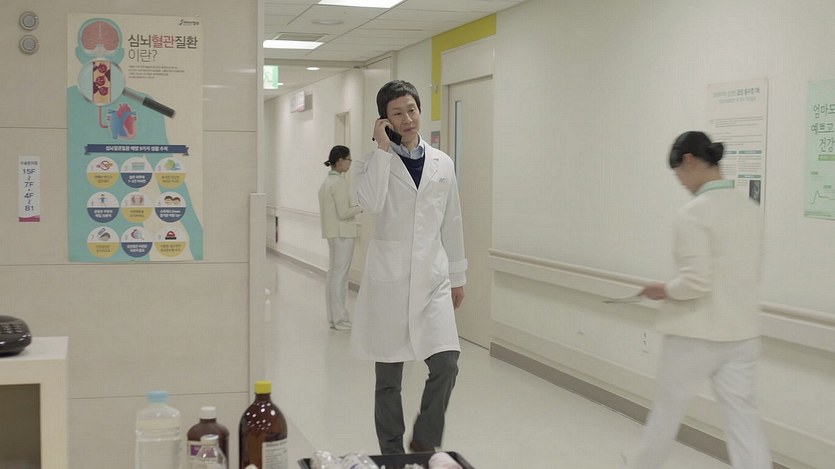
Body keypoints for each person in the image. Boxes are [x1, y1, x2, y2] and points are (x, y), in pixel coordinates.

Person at [633, 131, 771, 469]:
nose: (680, 182)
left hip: (695, 336)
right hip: (742, 334)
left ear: (690, 161)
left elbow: (695, 283)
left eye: (678, 173)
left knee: (666, 414)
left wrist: (664, 289)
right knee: (744, 423)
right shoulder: (750, 210)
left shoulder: (693, 213)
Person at [350, 80, 467, 454]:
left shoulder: (442, 163)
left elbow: (452, 221)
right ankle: (392, 454)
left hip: (433, 279)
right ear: (384, 120)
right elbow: (370, 203)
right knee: (389, 377)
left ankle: (424, 442)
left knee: (446, 363)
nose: (407, 119)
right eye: (397, 113)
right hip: (390, 281)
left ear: (420, 110)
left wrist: (458, 277)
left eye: (412, 110)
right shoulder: (368, 163)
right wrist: (382, 151)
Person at [318, 145, 362, 330]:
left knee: (334, 275)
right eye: (349, 159)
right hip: (343, 234)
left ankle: (333, 318)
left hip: (333, 234)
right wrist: (361, 206)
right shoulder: (339, 183)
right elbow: (344, 213)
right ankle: (340, 319)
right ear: (340, 160)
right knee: (340, 277)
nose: (350, 163)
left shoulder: (327, 183)